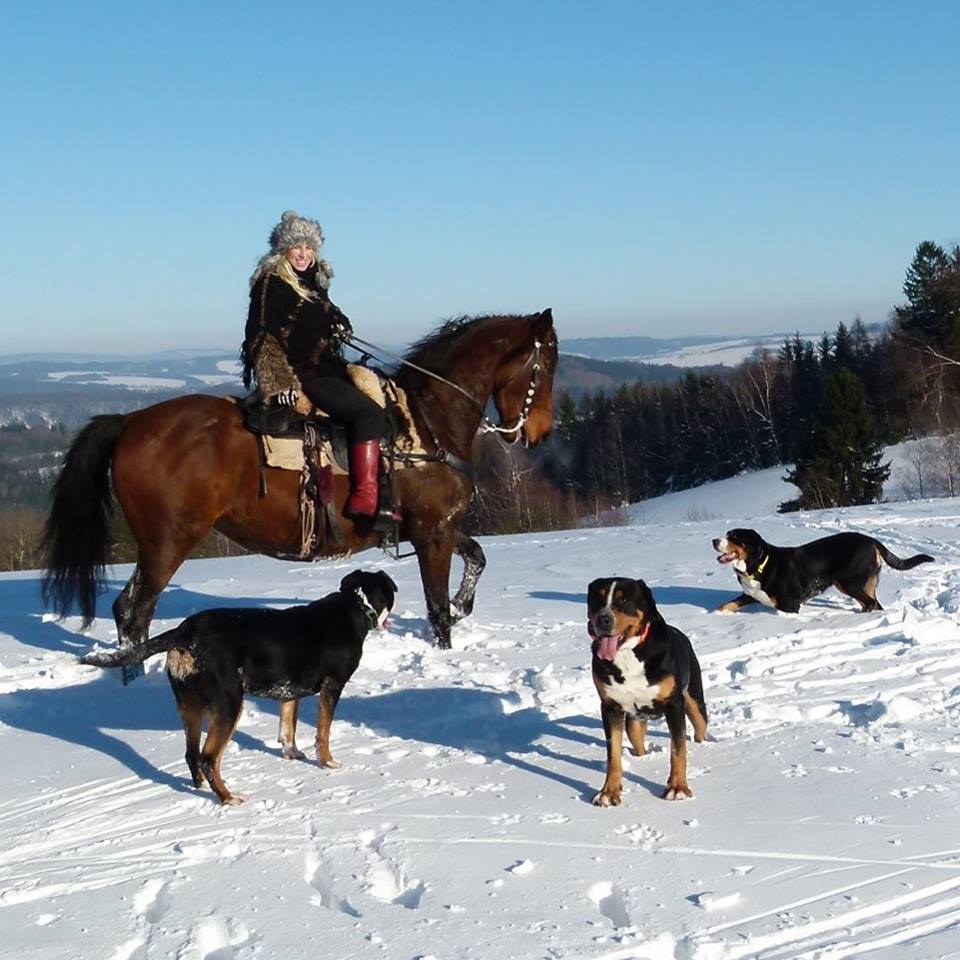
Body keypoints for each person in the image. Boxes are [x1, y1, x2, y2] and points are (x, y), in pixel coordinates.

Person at [240, 210, 394, 523]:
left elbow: (324, 312)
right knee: (369, 413)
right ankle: (366, 497)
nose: (303, 253)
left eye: (309, 247)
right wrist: (279, 381)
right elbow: (261, 334)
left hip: (327, 367)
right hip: (302, 374)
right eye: (297, 246)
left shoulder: (313, 282)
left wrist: (338, 322)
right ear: (284, 249)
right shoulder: (272, 283)